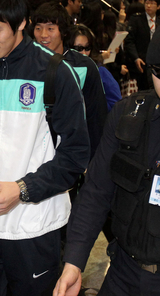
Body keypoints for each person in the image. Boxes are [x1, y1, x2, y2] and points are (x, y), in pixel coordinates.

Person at [0, 0, 89, 296]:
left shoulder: (54, 73)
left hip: (32, 226)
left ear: (21, 23)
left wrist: (23, 189)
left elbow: (76, 154)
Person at [53, 29, 160, 296]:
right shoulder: (129, 114)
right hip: (124, 271)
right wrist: (74, 262)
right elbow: (96, 192)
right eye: (159, 72)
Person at [32, 1, 107, 160]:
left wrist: (92, 161)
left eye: (50, 28)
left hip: (69, 150)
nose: (43, 34)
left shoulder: (83, 65)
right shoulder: (28, 63)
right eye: (38, 28)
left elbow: (96, 117)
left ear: (63, 32)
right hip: (34, 148)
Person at [67, 24, 121, 112]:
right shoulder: (61, 71)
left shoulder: (100, 71)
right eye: (78, 48)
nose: (84, 53)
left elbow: (116, 105)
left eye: (87, 48)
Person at [124, 0, 160, 90]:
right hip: (141, 61)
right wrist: (136, 57)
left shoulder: (158, 21)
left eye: (152, 3)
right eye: (147, 3)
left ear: (158, 6)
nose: (148, 6)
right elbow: (129, 41)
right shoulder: (136, 19)